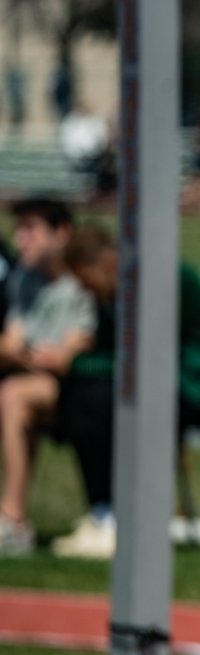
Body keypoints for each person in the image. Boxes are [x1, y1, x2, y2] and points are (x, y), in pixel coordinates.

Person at [50, 223, 200, 559]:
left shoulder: (162, 281)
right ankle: (102, 512)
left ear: (107, 264)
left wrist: (73, 361)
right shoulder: (114, 295)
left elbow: (143, 358)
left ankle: (115, 515)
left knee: (100, 397)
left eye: (87, 282)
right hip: (165, 383)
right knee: (85, 394)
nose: (87, 293)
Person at [0, 197, 96, 556]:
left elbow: (67, 356)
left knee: (13, 394)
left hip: (80, 392)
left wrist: (30, 354)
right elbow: (12, 343)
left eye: (31, 229)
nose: (20, 239)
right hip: (33, 381)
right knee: (14, 393)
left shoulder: (83, 281)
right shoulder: (22, 279)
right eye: (19, 229)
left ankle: (12, 519)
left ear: (61, 232)